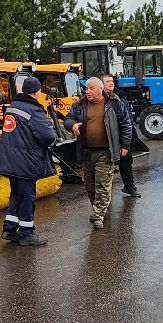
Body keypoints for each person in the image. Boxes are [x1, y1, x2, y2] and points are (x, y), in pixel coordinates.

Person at [63, 76, 131, 229]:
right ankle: (99, 208)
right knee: (89, 185)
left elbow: (126, 124)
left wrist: (125, 145)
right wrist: (72, 125)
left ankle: (98, 215)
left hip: (106, 151)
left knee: (103, 184)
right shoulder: (80, 105)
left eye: (91, 88)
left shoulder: (114, 103)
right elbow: (68, 119)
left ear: (100, 89)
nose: (88, 91)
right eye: (86, 88)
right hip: (86, 151)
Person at [0, 75, 56, 246]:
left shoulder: (12, 107)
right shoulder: (33, 110)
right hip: (26, 161)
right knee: (27, 196)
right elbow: (48, 136)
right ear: (36, 92)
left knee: (16, 194)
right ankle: (26, 233)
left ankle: (9, 229)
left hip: (10, 160)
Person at [101, 73, 142, 197]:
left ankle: (129, 186)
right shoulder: (96, 100)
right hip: (103, 139)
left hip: (117, 138)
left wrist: (125, 143)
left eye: (112, 81)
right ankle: (104, 193)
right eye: (107, 81)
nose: (111, 83)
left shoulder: (119, 99)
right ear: (101, 85)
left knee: (126, 160)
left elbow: (126, 122)